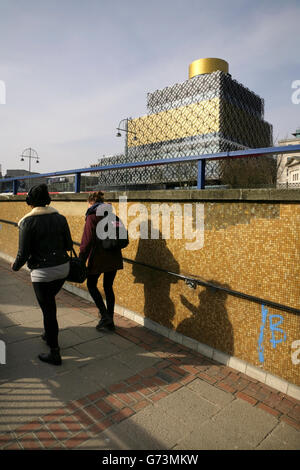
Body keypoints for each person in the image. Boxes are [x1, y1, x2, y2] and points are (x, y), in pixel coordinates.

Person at [11, 184, 73, 365]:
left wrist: (14, 267)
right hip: (63, 269)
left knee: (48, 310)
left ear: (30, 201)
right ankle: (48, 334)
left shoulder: (27, 222)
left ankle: (55, 352)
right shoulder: (60, 218)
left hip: (42, 273)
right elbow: (69, 245)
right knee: (50, 302)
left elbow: (22, 254)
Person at [79, 191, 123, 332]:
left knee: (91, 285)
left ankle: (105, 316)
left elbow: (87, 241)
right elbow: (123, 237)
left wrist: (81, 259)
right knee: (108, 287)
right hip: (114, 257)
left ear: (91, 203)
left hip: (98, 258)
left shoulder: (92, 217)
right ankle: (109, 320)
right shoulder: (113, 215)